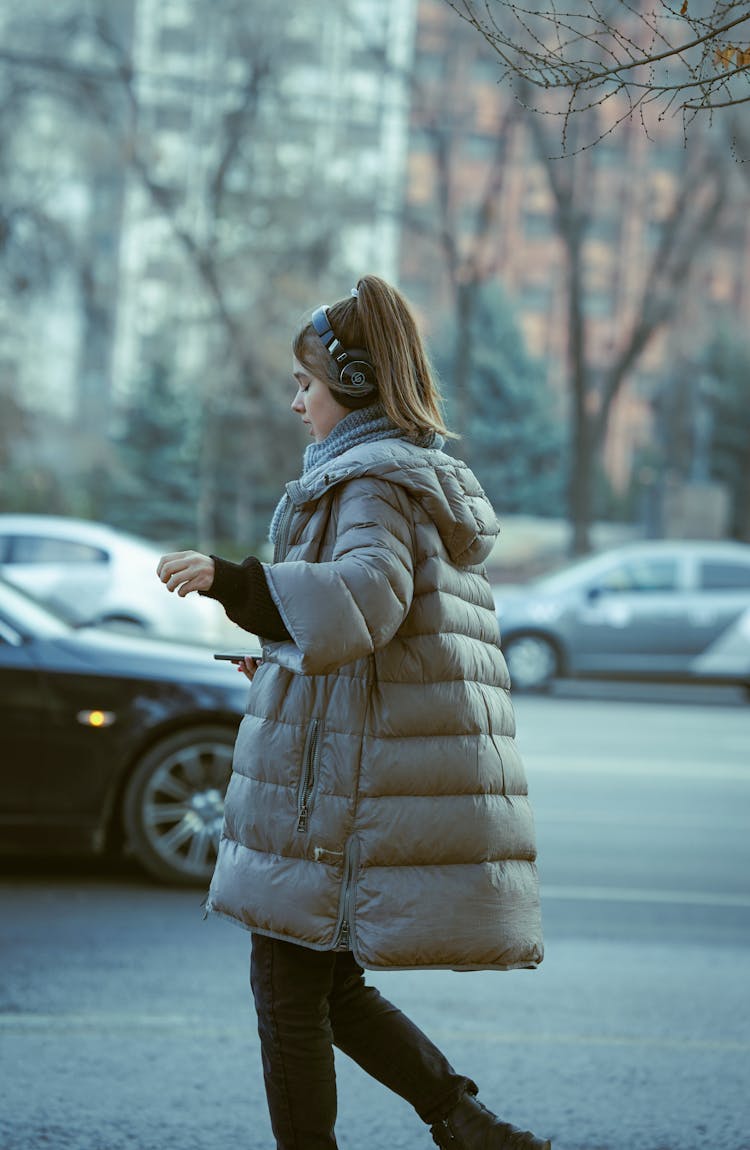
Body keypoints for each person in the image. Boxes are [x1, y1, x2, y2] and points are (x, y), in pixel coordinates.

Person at [157, 275, 549, 1150]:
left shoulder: (367, 484)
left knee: (287, 993)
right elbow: (376, 626)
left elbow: (368, 596)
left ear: (356, 388)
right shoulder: (385, 476)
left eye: (307, 383)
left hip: (333, 792)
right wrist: (281, 648)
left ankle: (448, 1124)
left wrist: (237, 581)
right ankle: (467, 1123)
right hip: (345, 769)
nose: (296, 399)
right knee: (328, 991)